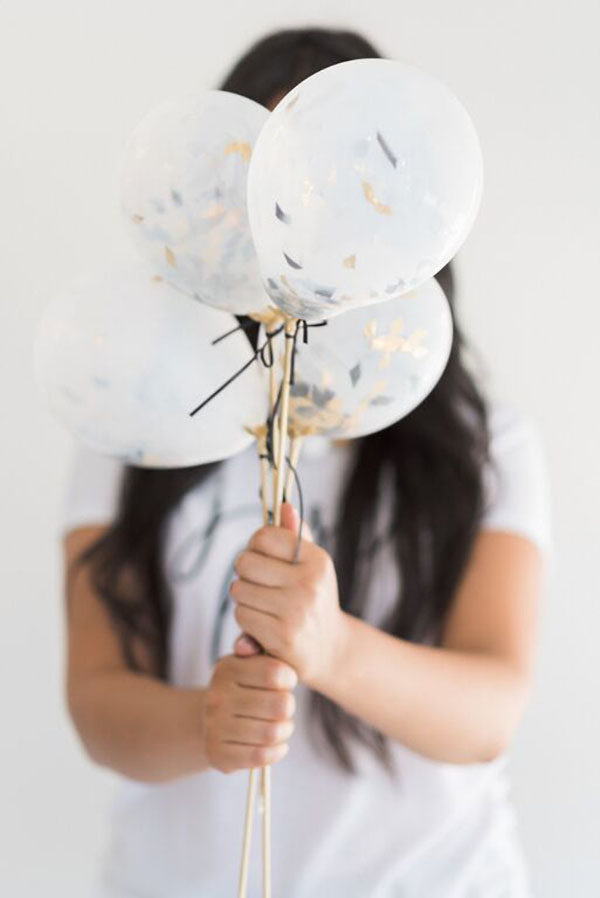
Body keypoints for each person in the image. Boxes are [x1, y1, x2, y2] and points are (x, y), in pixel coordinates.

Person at [62, 27, 550, 898]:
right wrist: (207, 724)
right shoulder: (135, 424)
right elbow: (98, 703)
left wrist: (331, 649)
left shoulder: (486, 449)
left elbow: (492, 712)